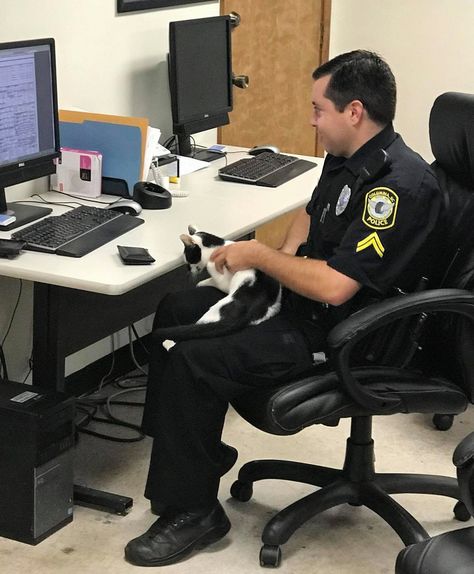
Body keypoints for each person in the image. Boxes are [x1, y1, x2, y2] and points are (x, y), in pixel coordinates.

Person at [124, 50, 443, 567]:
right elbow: (310, 215)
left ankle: (195, 511)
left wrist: (260, 257)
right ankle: (194, 458)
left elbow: (338, 288)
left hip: (350, 333)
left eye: (319, 109)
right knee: (178, 308)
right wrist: (283, 258)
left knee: (193, 356)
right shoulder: (350, 157)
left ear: (354, 111)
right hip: (307, 304)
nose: (312, 120)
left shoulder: (397, 187)